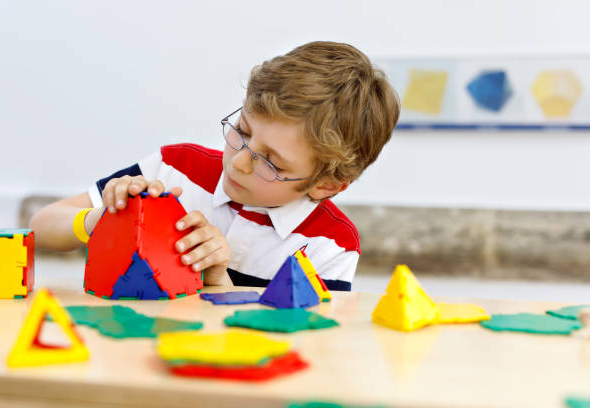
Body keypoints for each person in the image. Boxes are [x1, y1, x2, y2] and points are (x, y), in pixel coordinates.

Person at [30, 41, 400, 291]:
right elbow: (41, 227)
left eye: (270, 162)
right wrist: (99, 221)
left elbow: (306, 346)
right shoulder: (175, 167)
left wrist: (218, 280)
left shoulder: (330, 246)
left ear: (326, 186)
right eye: (241, 131)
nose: (238, 162)